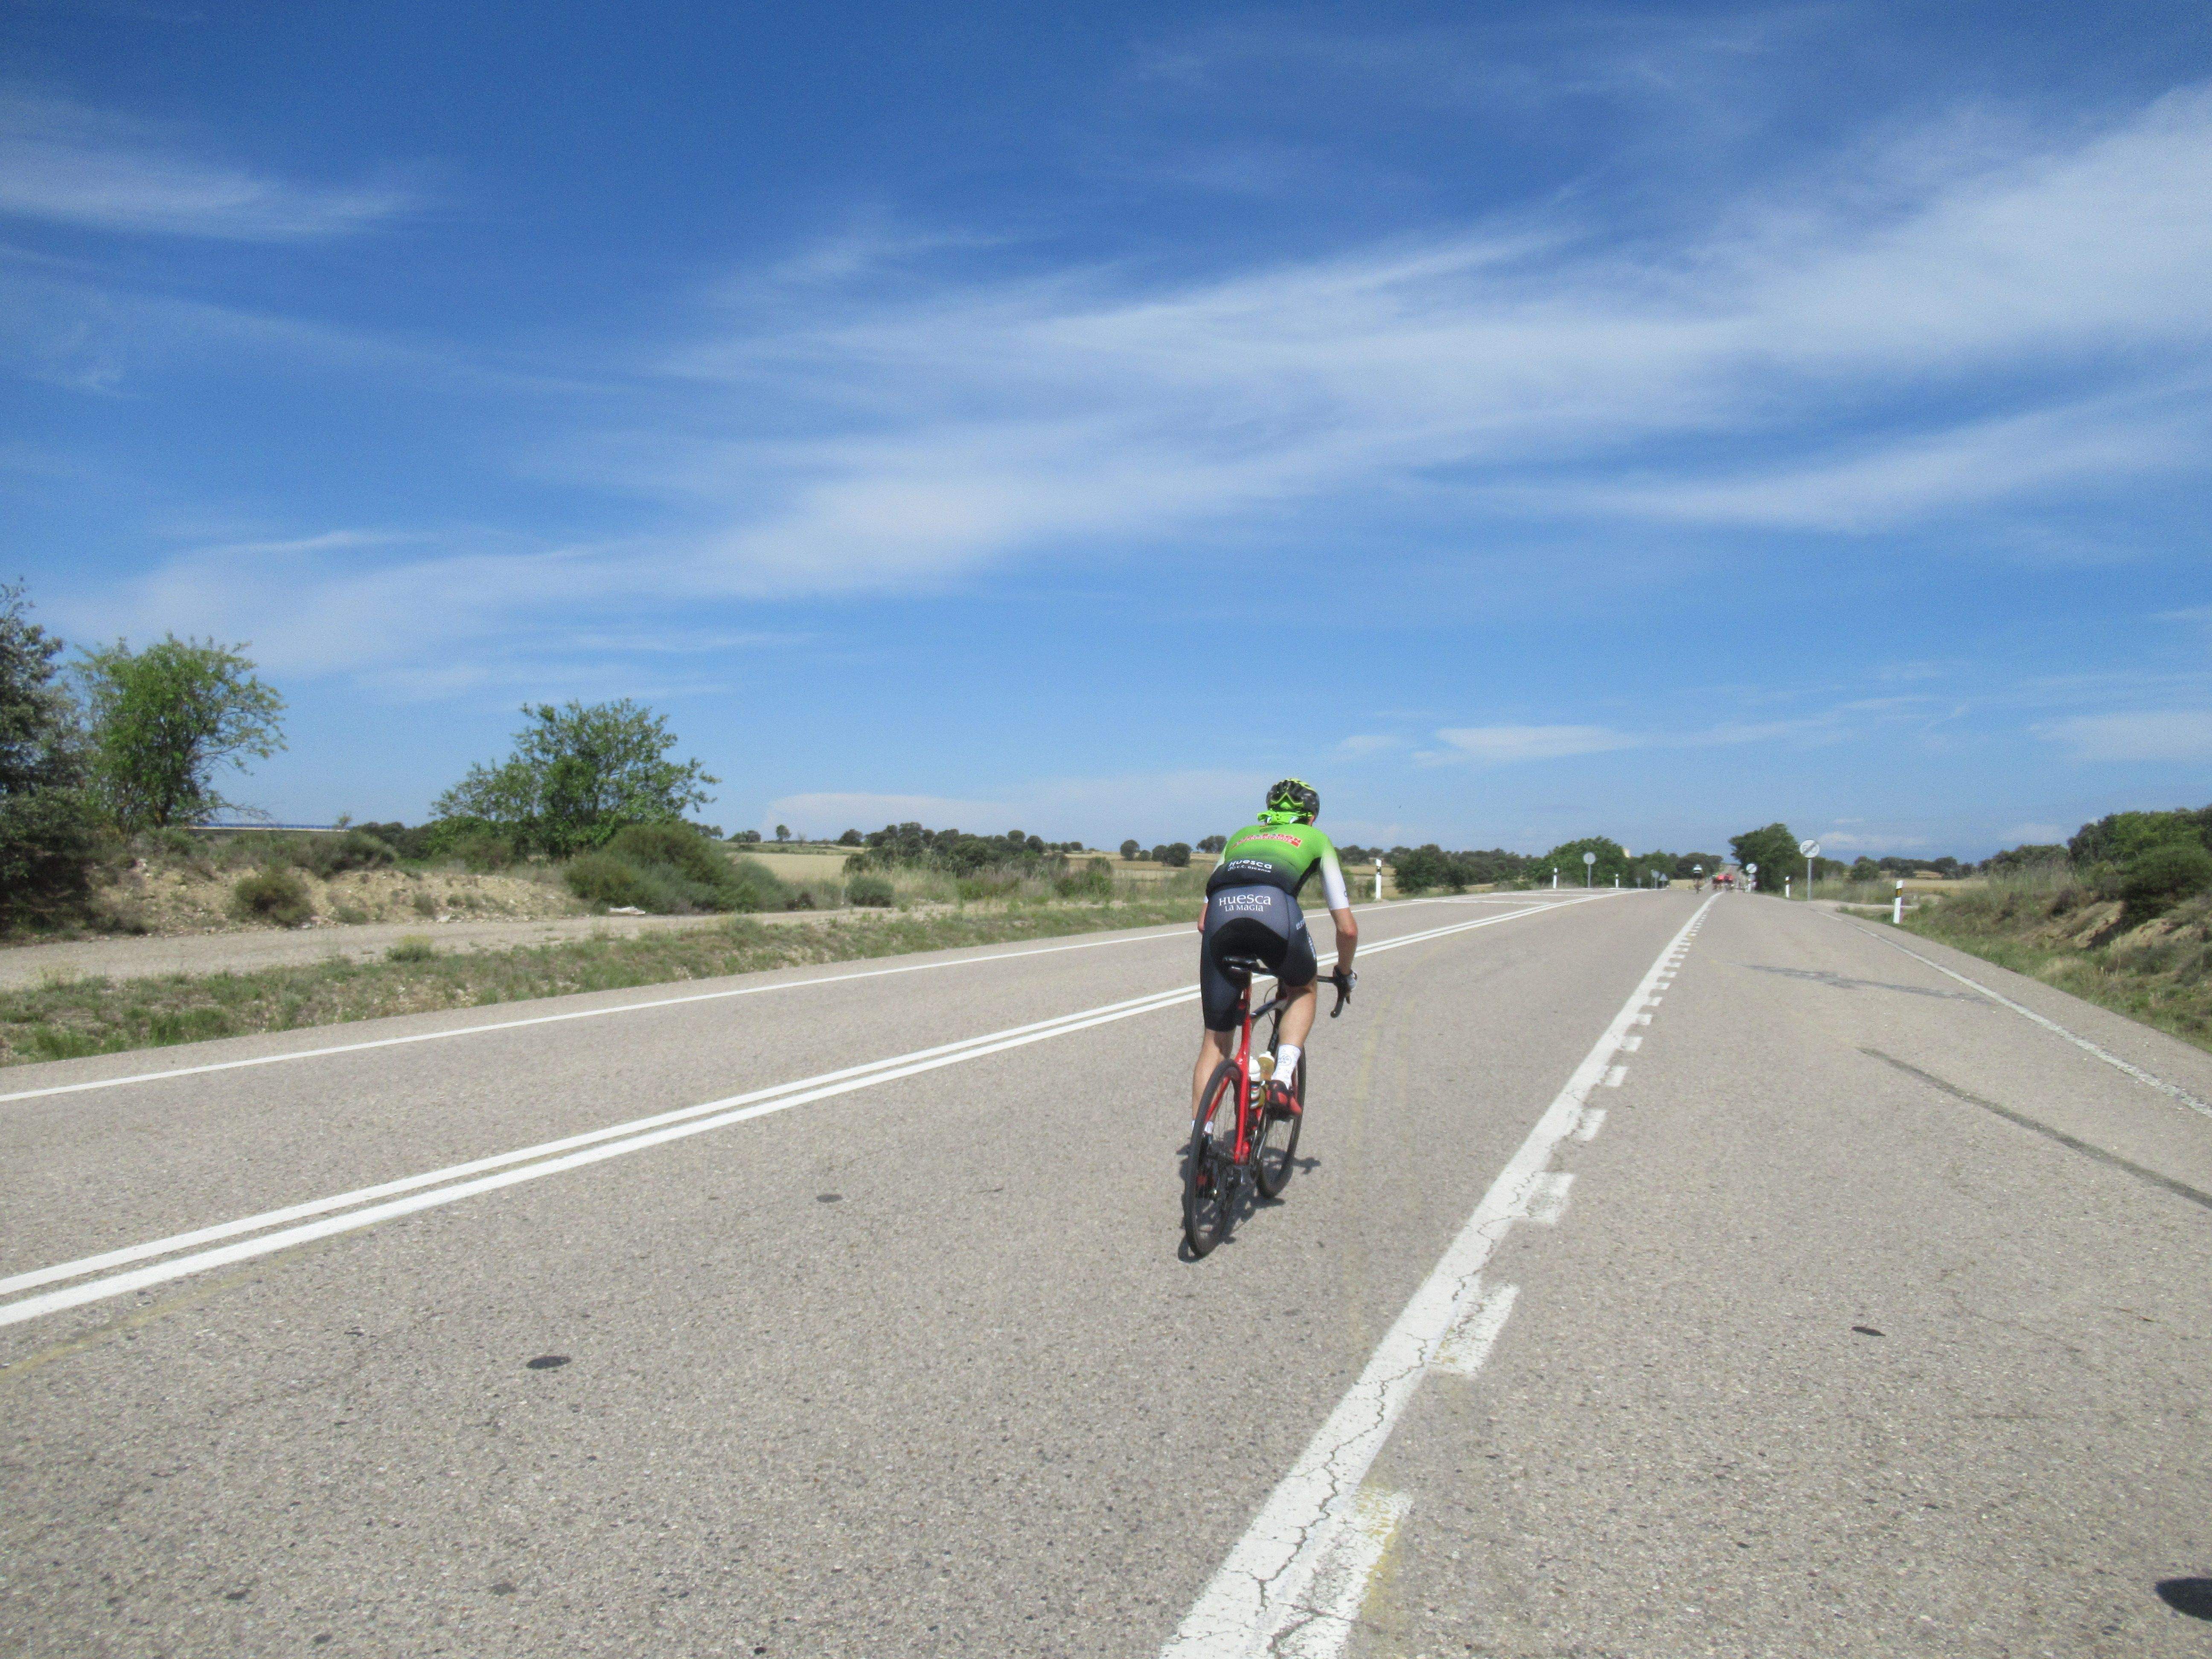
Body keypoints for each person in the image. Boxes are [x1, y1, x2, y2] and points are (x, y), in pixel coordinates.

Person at [1192, 779, 1356, 1121]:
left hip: (1222, 919)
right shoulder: (1317, 839)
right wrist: (1343, 972)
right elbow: (1347, 928)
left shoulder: (1240, 836)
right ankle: (1281, 1079)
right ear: (1311, 817)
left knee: (1216, 1040)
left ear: (1268, 813)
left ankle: (1201, 1147)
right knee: (1302, 987)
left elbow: (1203, 919)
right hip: (1276, 914)